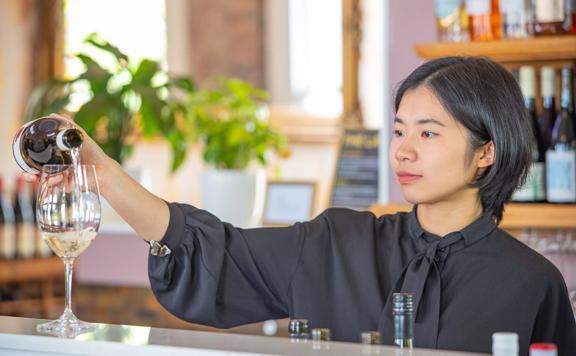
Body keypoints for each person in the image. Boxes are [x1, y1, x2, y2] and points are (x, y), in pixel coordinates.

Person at [25, 56, 576, 355]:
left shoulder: (532, 284)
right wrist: (102, 171)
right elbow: (209, 249)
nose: (402, 150)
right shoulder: (336, 242)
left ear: (487, 152)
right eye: (400, 130)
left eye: (429, 134)